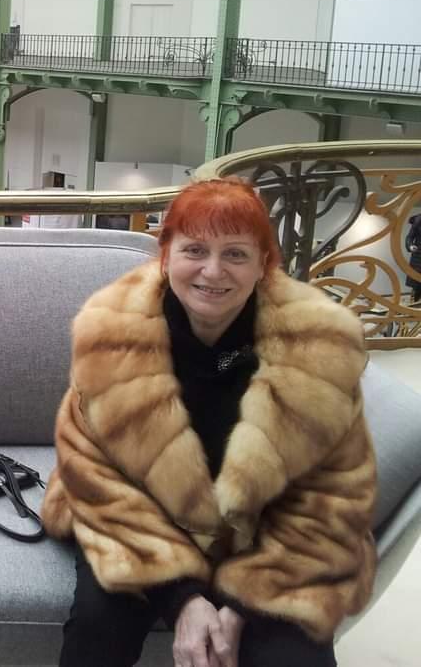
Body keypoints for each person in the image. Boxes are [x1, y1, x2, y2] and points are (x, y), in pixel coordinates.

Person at [42, 178, 376, 667]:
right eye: (195, 250)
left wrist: (246, 603)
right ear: (166, 255)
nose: (213, 271)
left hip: (264, 536)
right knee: (98, 627)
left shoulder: (319, 348)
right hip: (140, 523)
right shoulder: (110, 337)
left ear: (264, 263)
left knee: (297, 655)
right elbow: (96, 479)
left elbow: (330, 493)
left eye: (236, 254)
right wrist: (182, 599)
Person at [405, 213, 421, 302]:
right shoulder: (418, 219)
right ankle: (414, 305)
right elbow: (409, 237)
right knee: (416, 285)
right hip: (418, 257)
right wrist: (410, 246)